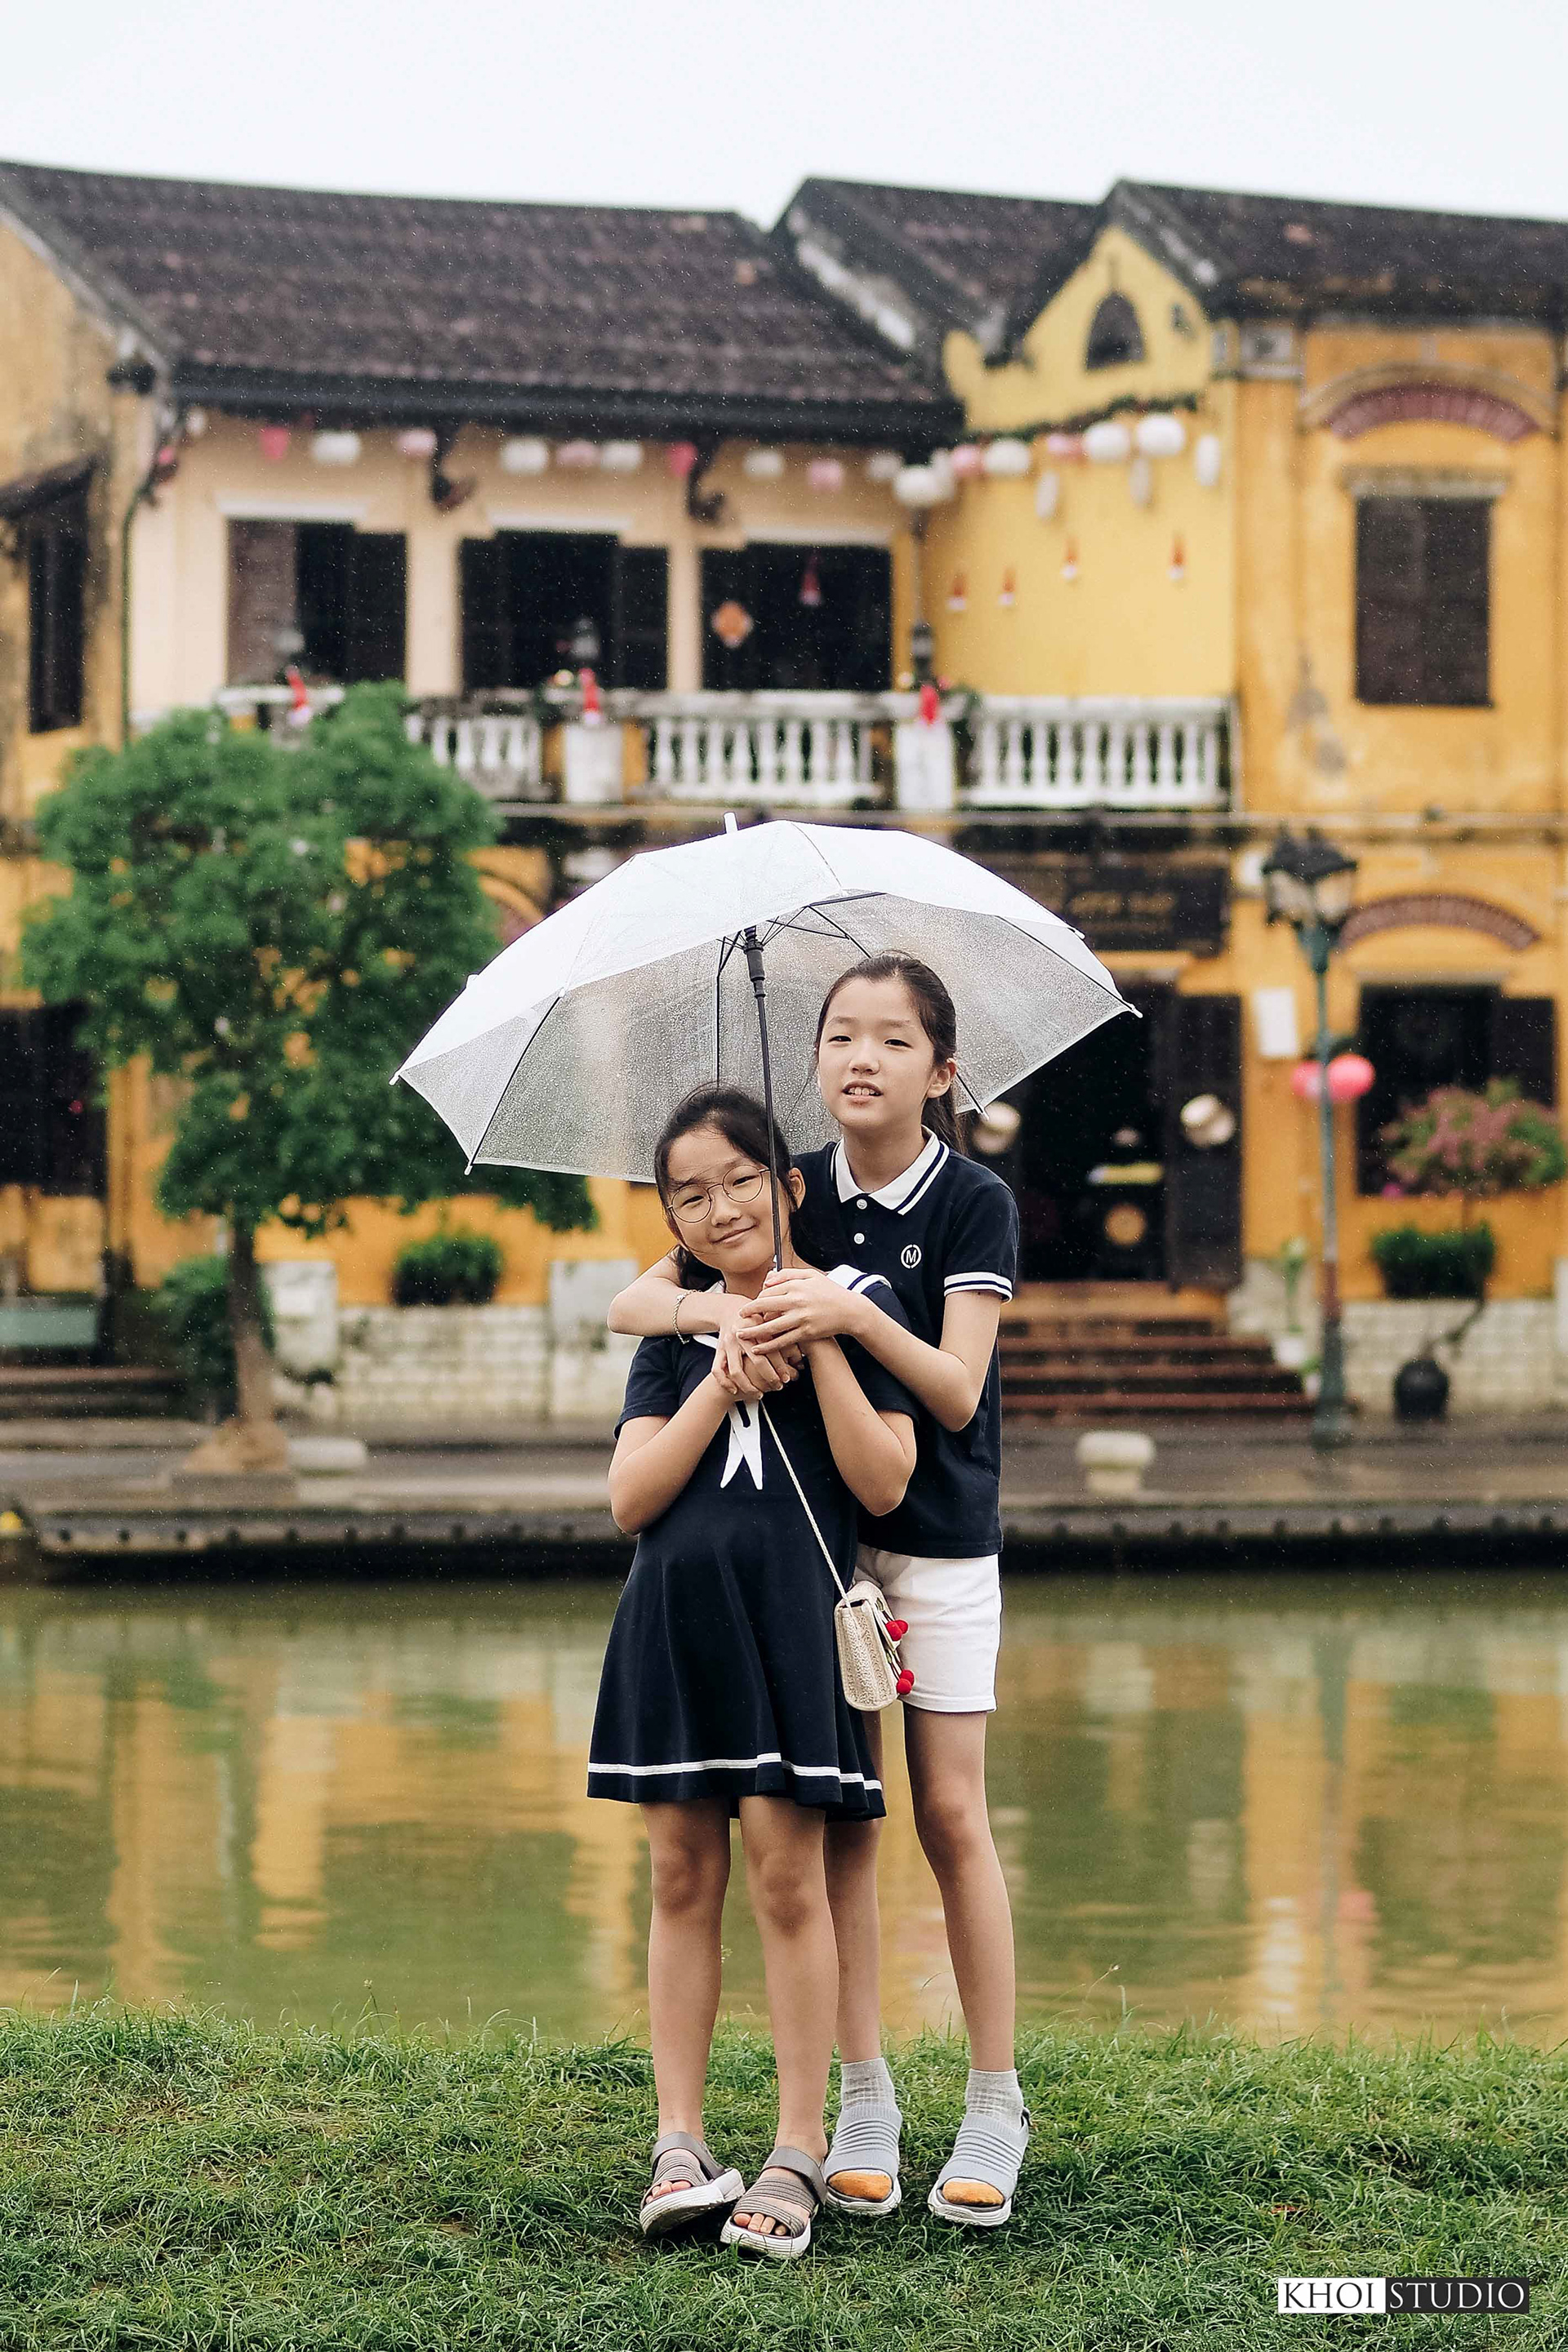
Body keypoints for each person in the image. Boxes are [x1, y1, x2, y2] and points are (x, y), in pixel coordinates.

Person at [609, 954, 1030, 2229]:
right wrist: (711, 1330)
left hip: (938, 1535)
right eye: (841, 1034)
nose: (861, 1057)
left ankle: (995, 2103)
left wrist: (840, 1319)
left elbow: (952, 1395)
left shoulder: (973, 1200)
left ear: (940, 1070)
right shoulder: (788, 1191)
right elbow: (648, 1290)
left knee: (950, 1813)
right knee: (842, 1818)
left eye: (893, 1040)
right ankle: (860, 2098)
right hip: (827, 1555)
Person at [590, 1084, 916, 2260]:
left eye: (740, 1180)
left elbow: (883, 1483)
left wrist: (817, 1338)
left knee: (789, 1878)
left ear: (789, 1185)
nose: (718, 1207)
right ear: (671, 1216)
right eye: (689, 1193)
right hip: (677, 1623)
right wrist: (718, 1372)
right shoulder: (670, 1330)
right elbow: (631, 1498)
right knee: (681, 1877)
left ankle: (793, 2148)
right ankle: (679, 2140)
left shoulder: (858, 1304)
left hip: (790, 1625)